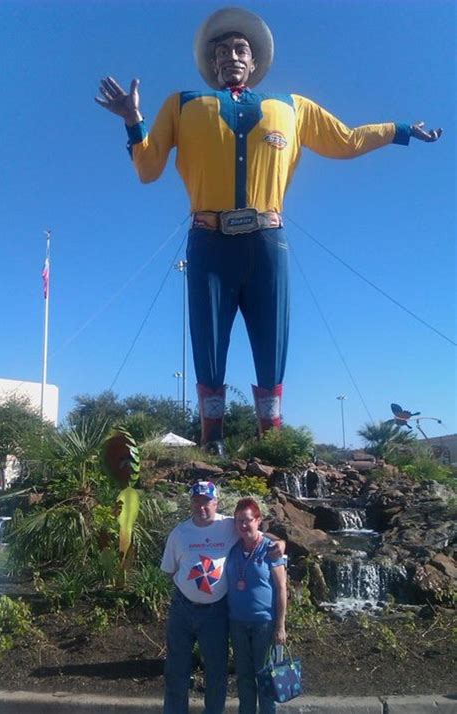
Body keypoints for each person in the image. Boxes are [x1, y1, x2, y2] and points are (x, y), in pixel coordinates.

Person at [95, 7, 442, 455]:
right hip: (208, 236)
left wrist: (399, 130)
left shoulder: (292, 107)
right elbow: (147, 168)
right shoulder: (180, 104)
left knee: (271, 335)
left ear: (254, 61)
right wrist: (132, 119)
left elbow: (346, 140)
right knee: (208, 336)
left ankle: (271, 438)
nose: (231, 56)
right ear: (212, 63)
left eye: (240, 49)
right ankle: (212, 437)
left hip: (267, 238)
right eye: (221, 51)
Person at [160, 481, 284, 714]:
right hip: (182, 610)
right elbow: (170, 571)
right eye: (197, 501)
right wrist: (189, 590)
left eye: (207, 502)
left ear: (216, 503)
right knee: (176, 669)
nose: (202, 507)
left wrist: (280, 542)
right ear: (191, 503)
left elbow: (254, 530)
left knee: (216, 672)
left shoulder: (228, 525)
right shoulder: (179, 533)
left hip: (216, 613)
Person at [227, 498, 287, 714]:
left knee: (264, 676)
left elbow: (281, 589)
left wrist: (280, 626)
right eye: (239, 521)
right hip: (238, 622)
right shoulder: (233, 549)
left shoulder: (270, 550)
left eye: (248, 520)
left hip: (264, 623)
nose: (243, 525)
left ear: (258, 520)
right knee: (244, 677)